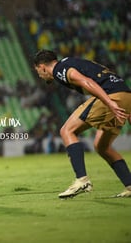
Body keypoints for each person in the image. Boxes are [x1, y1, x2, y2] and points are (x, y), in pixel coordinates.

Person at [32, 49, 131, 198]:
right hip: (125, 95)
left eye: (38, 71)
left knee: (67, 130)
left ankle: (82, 180)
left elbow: (87, 82)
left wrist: (110, 102)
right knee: (102, 146)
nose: (39, 75)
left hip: (111, 96)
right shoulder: (71, 62)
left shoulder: (60, 69)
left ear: (42, 66)